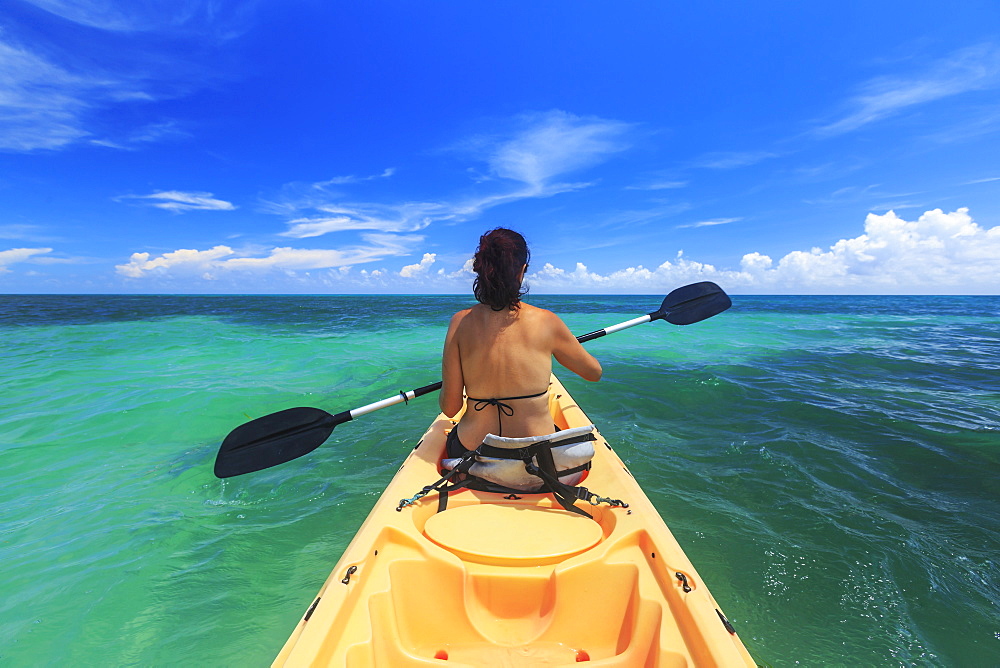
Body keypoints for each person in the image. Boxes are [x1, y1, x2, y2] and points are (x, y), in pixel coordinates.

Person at [440, 228, 602, 459]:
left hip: (472, 452)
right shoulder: (547, 321)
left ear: (481, 270)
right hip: (536, 459)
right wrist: (559, 346)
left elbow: (450, 408)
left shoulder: (459, 322)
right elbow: (593, 373)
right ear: (522, 271)